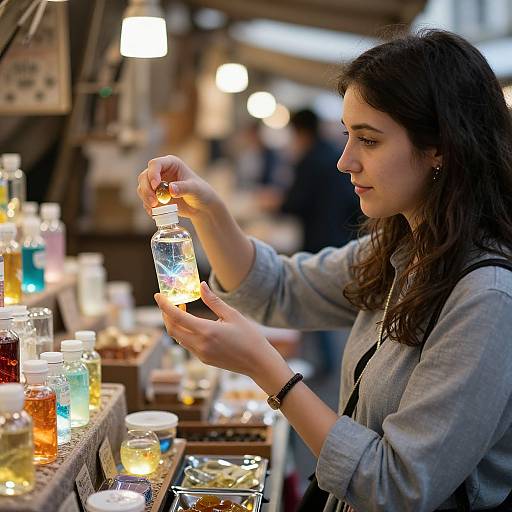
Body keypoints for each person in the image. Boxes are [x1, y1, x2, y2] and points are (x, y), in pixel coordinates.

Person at [137, 29, 512, 511]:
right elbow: (278, 288)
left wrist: (265, 367)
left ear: (441, 146)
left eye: (369, 140)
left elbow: (398, 487)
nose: (344, 161)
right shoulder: (407, 246)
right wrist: (207, 208)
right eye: (347, 135)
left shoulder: (487, 295)